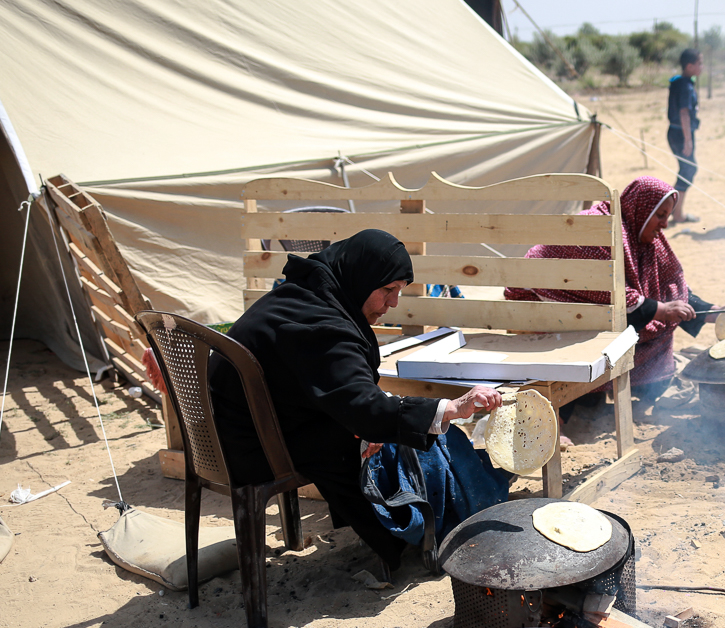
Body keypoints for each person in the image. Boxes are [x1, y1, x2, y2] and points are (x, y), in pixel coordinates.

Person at [209, 229, 510, 570]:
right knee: (391, 444)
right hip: (253, 449)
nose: (394, 303)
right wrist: (453, 407)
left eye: (398, 291)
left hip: (235, 434)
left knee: (385, 430)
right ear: (360, 277)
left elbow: (331, 387)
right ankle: (409, 535)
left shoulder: (302, 296)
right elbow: (364, 408)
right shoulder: (320, 325)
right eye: (387, 290)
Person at [504, 176, 725, 414]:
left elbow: (669, 287)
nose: (665, 224)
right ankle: (582, 400)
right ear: (642, 208)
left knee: (657, 321)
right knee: (645, 319)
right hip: (542, 303)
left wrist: (709, 311)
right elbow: (604, 289)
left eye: (668, 216)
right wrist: (662, 310)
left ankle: (636, 391)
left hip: (587, 308)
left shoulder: (640, 233)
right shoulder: (599, 229)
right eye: (661, 215)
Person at [667, 48, 702, 225]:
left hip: (677, 132)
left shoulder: (681, 82)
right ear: (689, 66)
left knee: (688, 169)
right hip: (680, 134)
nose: (701, 67)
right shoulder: (686, 87)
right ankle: (674, 212)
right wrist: (688, 140)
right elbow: (684, 113)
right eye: (699, 63)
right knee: (688, 170)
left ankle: (674, 209)